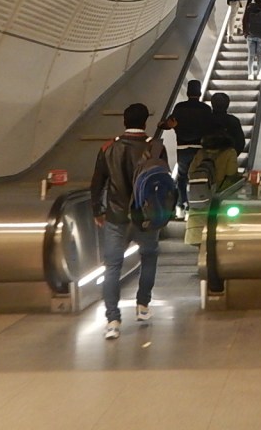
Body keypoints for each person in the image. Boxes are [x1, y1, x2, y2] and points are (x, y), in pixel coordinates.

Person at [90, 102, 163, 340]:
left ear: (124, 121)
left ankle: (113, 320)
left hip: (116, 215)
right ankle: (142, 305)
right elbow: (162, 182)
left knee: (112, 266)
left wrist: (97, 211)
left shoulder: (108, 148)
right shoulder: (156, 147)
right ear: (145, 122)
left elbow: (97, 183)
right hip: (146, 216)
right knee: (149, 257)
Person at [163, 79, 212, 214]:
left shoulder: (179, 108)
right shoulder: (205, 109)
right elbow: (211, 127)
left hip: (182, 148)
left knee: (182, 177)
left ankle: (182, 204)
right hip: (199, 148)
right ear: (200, 93)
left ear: (187, 92)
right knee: (199, 175)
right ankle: (197, 202)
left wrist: (162, 125)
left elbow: (168, 124)